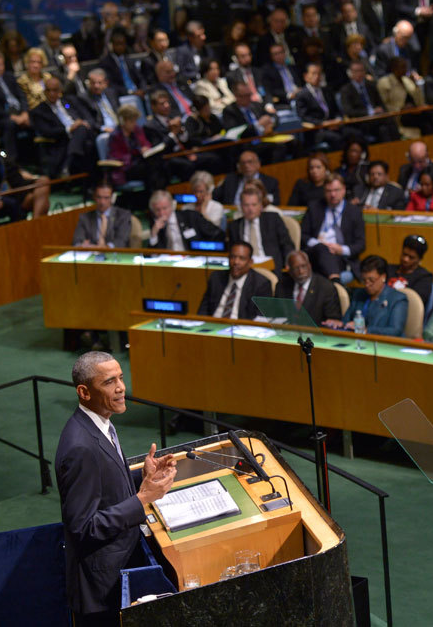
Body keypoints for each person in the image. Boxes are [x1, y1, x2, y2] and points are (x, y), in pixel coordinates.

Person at [56, 352, 176, 623]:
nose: (121, 387)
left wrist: (140, 478)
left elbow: (104, 488)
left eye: (121, 378)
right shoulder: (79, 447)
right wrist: (142, 498)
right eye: (109, 382)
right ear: (84, 392)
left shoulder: (100, 423)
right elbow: (83, 528)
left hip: (119, 566)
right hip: (101, 590)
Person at [0, 123, 50, 218]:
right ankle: (36, 223)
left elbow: (16, 169)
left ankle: (35, 222)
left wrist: (32, 177)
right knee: (41, 199)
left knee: (43, 181)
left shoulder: (2, 154)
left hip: (19, 184)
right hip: (9, 192)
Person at [300, 174, 366, 282]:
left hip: (340, 257)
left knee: (327, 257)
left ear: (344, 190)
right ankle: (335, 281)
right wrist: (319, 245)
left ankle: (331, 280)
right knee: (322, 249)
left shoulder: (354, 212)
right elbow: (303, 235)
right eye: (328, 191)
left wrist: (341, 250)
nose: (333, 194)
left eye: (336, 190)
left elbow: (361, 243)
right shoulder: (314, 207)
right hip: (315, 253)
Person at [324, 255, 408, 336]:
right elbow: (347, 320)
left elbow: (395, 330)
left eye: (371, 280)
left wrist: (366, 330)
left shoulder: (398, 299)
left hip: (386, 345)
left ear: (383, 277)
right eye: (364, 280)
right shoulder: (359, 294)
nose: (367, 284)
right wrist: (340, 324)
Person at [31, 78, 96, 178]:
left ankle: (68, 163)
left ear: (60, 91)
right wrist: (69, 129)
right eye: (48, 90)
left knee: (82, 129)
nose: (51, 93)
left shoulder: (69, 101)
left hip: (84, 133)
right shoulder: (39, 111)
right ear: (44, 92)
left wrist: (83, 123)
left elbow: (88, 117)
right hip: (62, 140)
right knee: (85, 140)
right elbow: (47, 132)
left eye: (55, 90)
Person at [226, 184, 294, 274]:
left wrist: (289, 260)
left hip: (271, 268)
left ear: (261, 206)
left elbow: (287, 244)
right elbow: (232, 252)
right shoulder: (234, 226)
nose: (250, 209)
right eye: (246, 205)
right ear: (241, 206)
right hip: (245, 270)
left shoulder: (273, 219)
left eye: (254, 205)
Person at [197, 241, 271, 320]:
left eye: (242, 258)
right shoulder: (216, 277)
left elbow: (260, 318)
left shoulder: (261, 284)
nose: (236, 262)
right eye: (232, 257)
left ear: (250, 262)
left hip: (241, 327)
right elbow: (203, 310)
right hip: (213, 324)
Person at [107, 104, 168, 192]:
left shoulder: (137, 130)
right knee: (151, 169)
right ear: (123, 121)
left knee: (160, 165)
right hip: (126, 169)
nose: (134, 124)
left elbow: (146, 144)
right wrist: (137, 151)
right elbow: (118, 156)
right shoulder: (116, 136)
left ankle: (159, 194)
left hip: (141, 163)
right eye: (132, 121)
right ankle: (155, 194)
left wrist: (145, 148)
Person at [275, 249, 342, 325]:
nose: (301, 271)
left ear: (309, 265)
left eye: (303, 266)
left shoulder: (326, 288)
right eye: (296, 268)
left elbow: (334, 320)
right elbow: (275, 314)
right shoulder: (282, 286)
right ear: (289, 270)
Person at [147, 190, 223, 251]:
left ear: (172, 205)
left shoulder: (190, 217)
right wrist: (154, 234)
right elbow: (152, 254)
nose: (162, 213)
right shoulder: (155, 225)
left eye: (164, 208)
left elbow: (216, 233)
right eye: (157, 210)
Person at [72, 182, 131, 248]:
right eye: (99, 197)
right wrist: (82, 245)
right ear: (94, 197)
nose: (102, 202)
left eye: (106, 198)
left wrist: (105, 248)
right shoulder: (85, 217)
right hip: (91, 253)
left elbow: (121, 241)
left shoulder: (123, 215)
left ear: (112, 198)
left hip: (114, 255)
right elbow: (77, 241)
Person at [214, 150, 280, 206]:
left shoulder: (271, 182)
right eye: (243, 163)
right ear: (239, 166)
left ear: (258, 164)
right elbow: (215, 197)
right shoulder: (230, 180)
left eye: (250, 162)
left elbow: (275, 204)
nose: (246, 166)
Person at [387, 234, 433, 304]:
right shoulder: (388, 269)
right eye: (404, 254)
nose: (405, 259)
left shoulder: (425, 277)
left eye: (411, 257)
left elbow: (415, 302)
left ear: (419, 259)